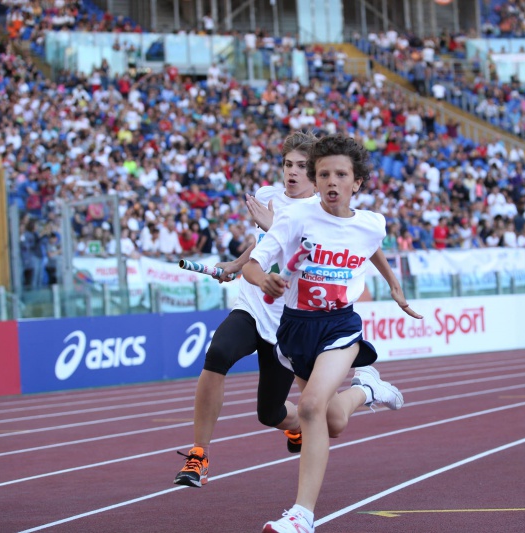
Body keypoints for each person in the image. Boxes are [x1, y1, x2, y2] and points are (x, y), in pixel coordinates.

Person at [174, 132, 419, 491]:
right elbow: (264, 245)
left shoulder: (326, 213)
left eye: (302, 167)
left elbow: (363, 238)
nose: (292, 173)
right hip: (255, 305)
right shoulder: (269, 197)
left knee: (272, 413)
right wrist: (240, 265)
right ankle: (200, 453)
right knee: (219, 353)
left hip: (288, 327)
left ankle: (344, 401)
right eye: (288, 165)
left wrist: (393, 283)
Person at [243, 134, 422, 533]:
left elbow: (368, 242)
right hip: (296, 330)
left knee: (308, 408)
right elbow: (254, 265)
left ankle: (301, 516)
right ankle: (369, 391)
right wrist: (263, 281)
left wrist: (393, 284)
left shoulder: (373, 222)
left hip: (340, 327)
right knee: (332, 421)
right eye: (323, 174)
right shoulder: (296, 218)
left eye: (341, 174)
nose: (331, 182)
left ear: (357, 182)